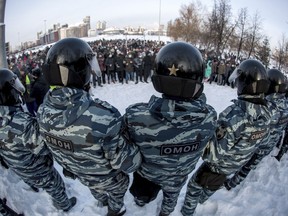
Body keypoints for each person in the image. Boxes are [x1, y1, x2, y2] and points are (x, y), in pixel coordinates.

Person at [37, 38, 142, 216]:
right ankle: (115, 210)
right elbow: (127, 163)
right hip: (109, 179)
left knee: (96, 190)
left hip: (82, 176)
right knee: (117, 192)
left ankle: (101, 200)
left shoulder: (42, 112)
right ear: (81, 72)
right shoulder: (103, 116)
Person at [123, 41, 217, 216]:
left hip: (147, 175)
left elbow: (125, 154)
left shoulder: (135, 116)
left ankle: (141, 201)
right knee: (171, 198)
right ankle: (165, 213)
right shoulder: (209, 117)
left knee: (142, 193)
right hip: (178, 176)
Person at [181, 59, 272, 216]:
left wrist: (202, 136)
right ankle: (203, 200)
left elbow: (212, 156)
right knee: (212, 187)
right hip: (234, 166)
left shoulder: (235, 115)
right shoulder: (267, 114)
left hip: (216, 167)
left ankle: (186, 211)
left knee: (194, 186)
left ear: (244, 83)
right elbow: (263, 143)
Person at [0, 68, 76, 212]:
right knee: (56, 185)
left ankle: (34, 185)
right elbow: (44, 147)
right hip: (38, 168)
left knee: (31, 179)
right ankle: (64, 205)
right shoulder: (22, 123)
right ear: (7, 92)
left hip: (18, 167)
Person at [224, 68, 288, 190]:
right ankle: (233, 183)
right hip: (269, 145)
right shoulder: (285, 105)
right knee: (249, 166)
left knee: (243, 162)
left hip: (256, 142)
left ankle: (230, 183)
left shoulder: (268, 105)